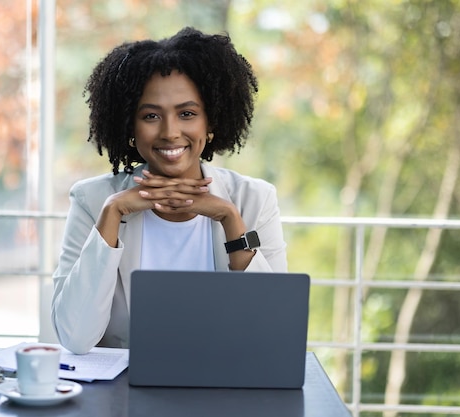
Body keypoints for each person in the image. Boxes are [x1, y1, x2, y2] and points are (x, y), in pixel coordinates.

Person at [51, 27, 287, 354]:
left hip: (223, 392)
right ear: (130, 127)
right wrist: (112, 214)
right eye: (151, 116)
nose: (170, 132)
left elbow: (272, 333)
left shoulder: (253, 200)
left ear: (211, 122)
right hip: (124, 396)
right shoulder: (92, 201)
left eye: (187, 113)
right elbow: (75, 337)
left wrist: (230, 219)